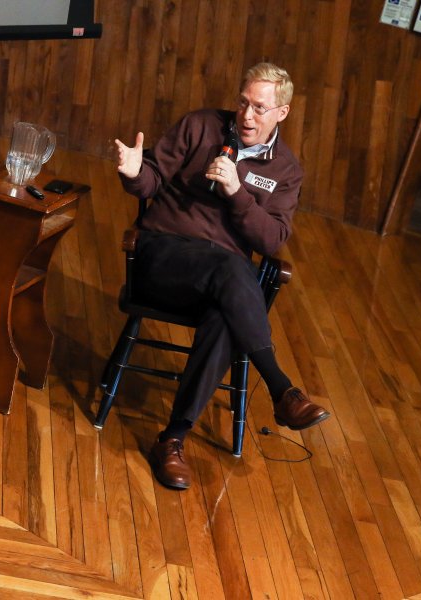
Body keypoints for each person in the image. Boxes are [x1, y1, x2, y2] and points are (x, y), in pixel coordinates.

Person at [114, 62, 330, 491]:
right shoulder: (200, 126)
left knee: (225, 314)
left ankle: (172, 439)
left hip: (221, 282)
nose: (247, 116)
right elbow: (152, 179)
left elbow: (272, 239)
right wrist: (135, 172)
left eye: (260, 108)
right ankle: (281, 388)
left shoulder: (286, 169)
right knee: (235, 272)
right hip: (165, 257)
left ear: (281, 113)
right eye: (243, 104)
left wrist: (237, 192)